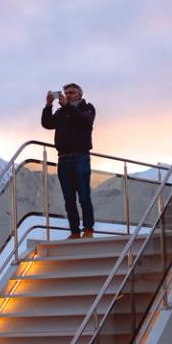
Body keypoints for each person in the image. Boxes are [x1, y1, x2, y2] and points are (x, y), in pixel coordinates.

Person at [41, 83, 96, 238]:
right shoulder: (61, 112)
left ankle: (88, 229)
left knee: (84, 195)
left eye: (71, 92)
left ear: (79, 94)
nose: (68, 95)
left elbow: (84, 121)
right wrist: (48, 105)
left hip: (81, 157)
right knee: (69, 198)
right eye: (66, 92)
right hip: (63, 159)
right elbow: (47, 124)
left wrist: (66, 107)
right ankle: (74, 231)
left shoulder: (87, 108)